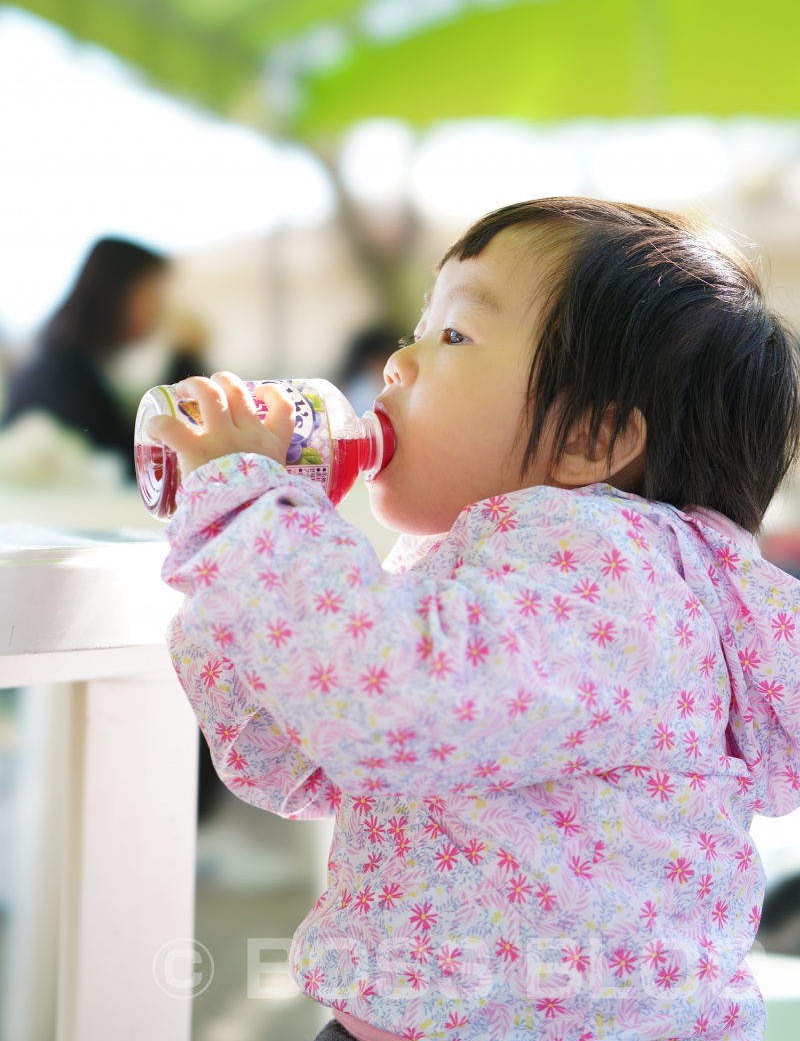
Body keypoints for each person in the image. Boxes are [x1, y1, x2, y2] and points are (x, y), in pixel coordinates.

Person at [149, 198, 800, 1041]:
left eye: (453, 336)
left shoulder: (611, 577)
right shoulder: (493, 574)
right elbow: (294, 761)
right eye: (418, 328)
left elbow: (380, 708)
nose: (398, 363)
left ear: (591, 442)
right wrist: (240, 562)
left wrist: (249, 515)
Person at [3, 236, 198, 479]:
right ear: (119, 293)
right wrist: (186, 358)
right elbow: (140, 464)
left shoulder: (73, 362)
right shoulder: (64, 377)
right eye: (154, 293)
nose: (161, 310)